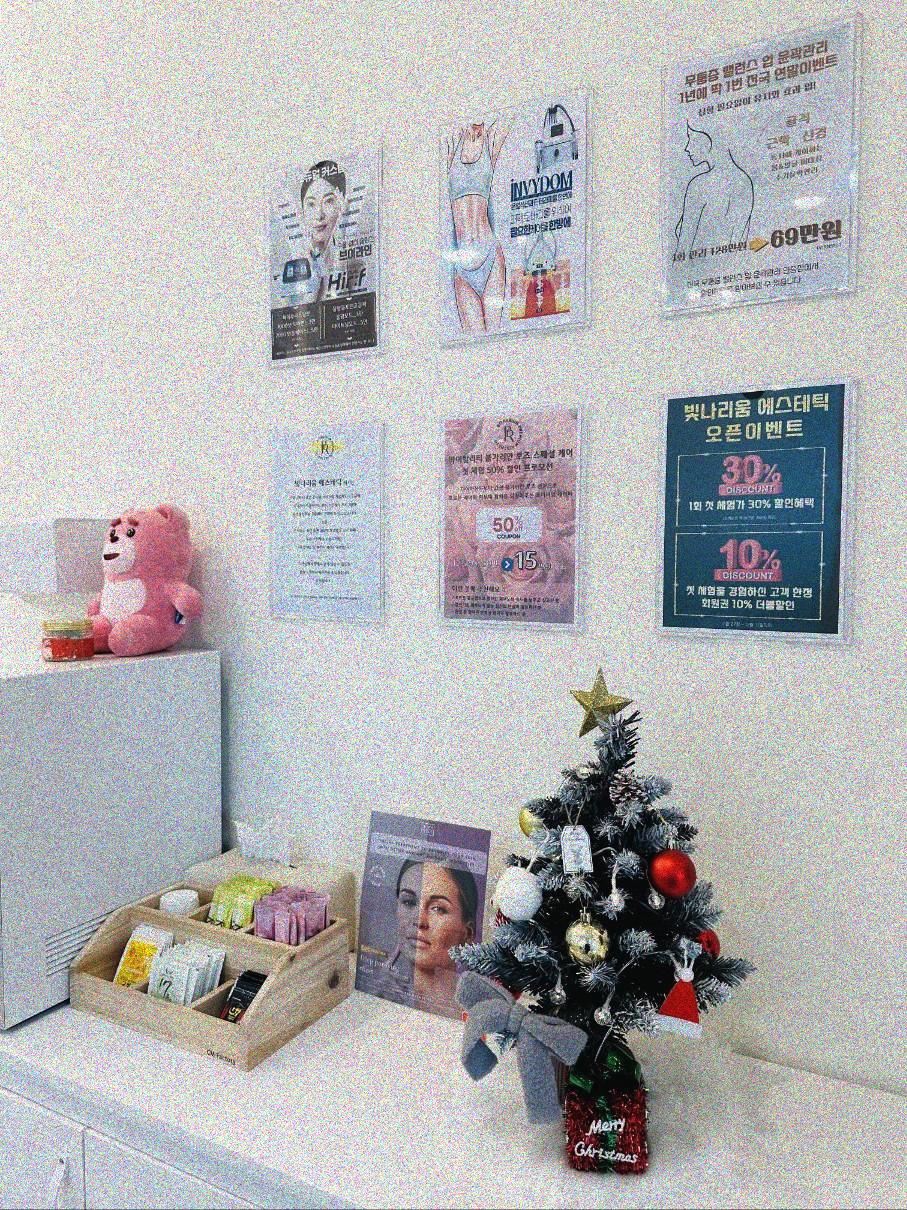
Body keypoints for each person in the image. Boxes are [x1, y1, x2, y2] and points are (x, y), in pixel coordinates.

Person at [379, 859, 478, 1017]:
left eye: (438, 908)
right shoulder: (381, 996)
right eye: (408, 902)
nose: (419, 921)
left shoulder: (477, 1015)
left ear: (467, 933)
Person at [445, 121, 509, 334]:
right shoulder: (452, 143)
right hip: (462, 266)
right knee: (471, 343)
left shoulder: (491, 140)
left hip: (490, 255)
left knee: (495, 339)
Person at [674, 123, 754, 259]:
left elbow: (683, 250)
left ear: (708, 141)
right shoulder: (745, 181)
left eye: (691, 139)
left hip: (699, 269)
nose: (687, 148)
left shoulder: (699, 185)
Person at [292, 160, 347, 304]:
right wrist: (313, 275)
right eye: (311, 204)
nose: (319, 215)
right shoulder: (294, 266)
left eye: (329, 201)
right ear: (302, 211)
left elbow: (337, 305)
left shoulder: (352, 263)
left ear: (341, 206)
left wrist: (340, 230)